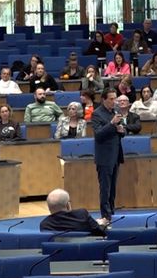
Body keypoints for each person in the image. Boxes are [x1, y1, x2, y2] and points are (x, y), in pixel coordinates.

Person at [91, 89, 123, 221]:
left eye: (115, 98)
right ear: (104, 99)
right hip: (104, 157)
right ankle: (105, 216)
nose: (114, 101)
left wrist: (121, 130)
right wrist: (112, 124)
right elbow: (98, 135)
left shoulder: (115, 112)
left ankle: (112, 214)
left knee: (113, 189)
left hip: (115, 155)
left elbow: (119, 132)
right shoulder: (97, 114)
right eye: (111, 99)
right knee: (105, 188)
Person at [39, 188, 107, 235]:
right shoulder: (82, 215)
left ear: (49, 207)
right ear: (68, 205)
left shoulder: (45, 225)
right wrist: (100, 224)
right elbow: (100, 232)